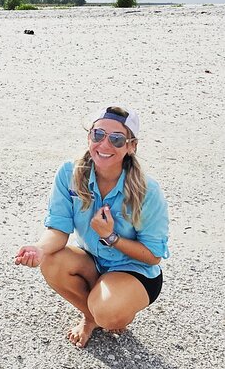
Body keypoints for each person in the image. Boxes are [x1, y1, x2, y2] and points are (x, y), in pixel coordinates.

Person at [15, 106, 169, 348]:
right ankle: (91, 316)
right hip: (93, 260)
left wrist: (111, 237)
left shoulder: (148, 191)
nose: (104, 145)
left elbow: (153, 257)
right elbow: (58, 228)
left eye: (117, 139)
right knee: (52, 260)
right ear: (89, 137)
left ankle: (106, 312)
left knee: (108, 313)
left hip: (135, 271)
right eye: (98, 134)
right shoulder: (69, 173)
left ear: (131, 146)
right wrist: (39, 249)